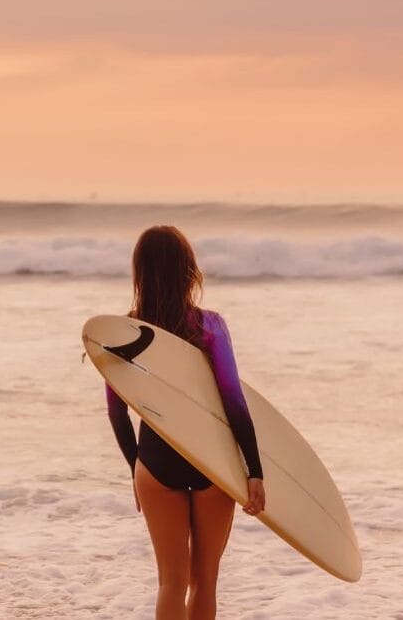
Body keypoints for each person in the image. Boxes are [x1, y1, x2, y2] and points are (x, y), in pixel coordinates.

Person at [105, 225, 266, 620]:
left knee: (170, 583)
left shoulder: (123, 333)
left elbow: (117, 411)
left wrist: (136, 469)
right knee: (205, 581)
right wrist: (254, 471)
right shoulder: (208, 327)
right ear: (188, 270)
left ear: (139, 272)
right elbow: (233, 402)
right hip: (211, 462)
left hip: (156, 463)